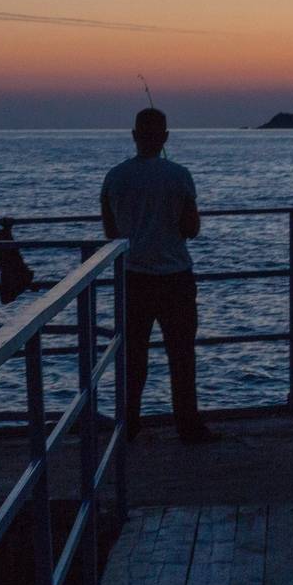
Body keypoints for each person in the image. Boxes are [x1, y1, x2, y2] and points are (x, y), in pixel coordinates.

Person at [102, 108, 218, 443]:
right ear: (165, 137)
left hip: (133, 279)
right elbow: (191, 228)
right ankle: (188, 426)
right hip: (175, 278)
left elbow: (110, 232)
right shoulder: (179, 175)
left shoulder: (115, 177)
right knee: (181, 356)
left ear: (134, 135)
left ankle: (128, 426)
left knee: (133, 356)